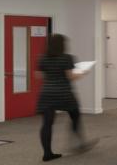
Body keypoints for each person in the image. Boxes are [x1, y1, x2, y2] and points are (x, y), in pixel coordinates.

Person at [37, 34, 97, 162]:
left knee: (47, 124)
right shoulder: (66, 58)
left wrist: (51, 77)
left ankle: (47, 154)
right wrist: (83, 72)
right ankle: (81, 144)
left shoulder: (42, 58)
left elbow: (38, 75)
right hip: (64, 94)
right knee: (75, 116)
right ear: (62, 45)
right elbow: (71, 77)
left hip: (47, 94)